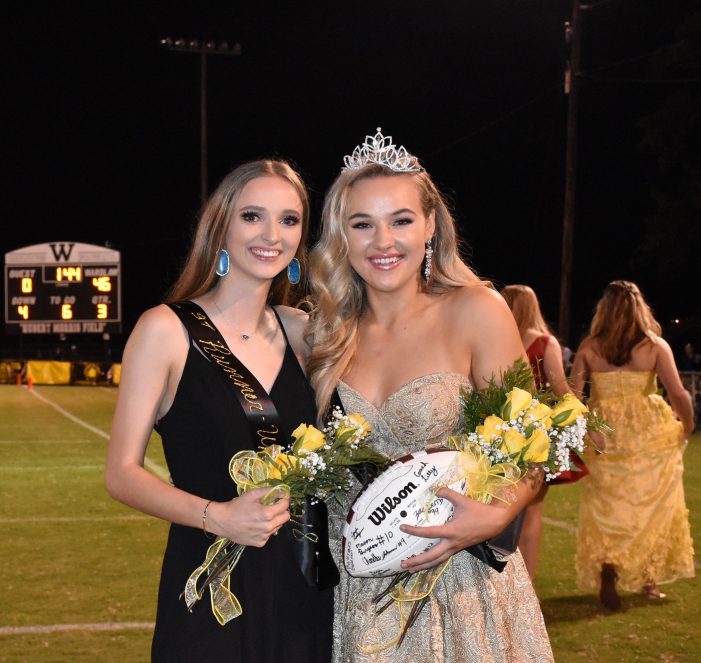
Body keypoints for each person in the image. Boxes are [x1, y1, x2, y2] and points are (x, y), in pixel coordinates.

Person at [307, 129, 553, 662]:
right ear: (341, 237)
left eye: (400, 220)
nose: (383, 241)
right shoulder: (324, 337)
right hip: (363, 600)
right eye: (362, 224)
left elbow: (534, 444)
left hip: (466, 591)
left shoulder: (475, 311)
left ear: (430, 226)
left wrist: (497, 514)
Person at [105, 160, 334, 662]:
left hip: (304, 587)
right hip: (212, 586)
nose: (272, 234)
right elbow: (121, 473)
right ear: (221, 226)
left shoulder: (303, 332)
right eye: (253, 216)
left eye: (289, 220)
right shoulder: (164, 330)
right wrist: (218, 517)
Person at [571, 280, 695, 610]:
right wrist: (688, 423)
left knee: (608, 502)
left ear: (604, 310)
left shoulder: (589, 347)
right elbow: (678, 392)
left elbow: (572, 394)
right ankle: (648, 580)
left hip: (605, 430)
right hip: (647, 430)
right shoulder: (654, 347)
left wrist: (586, 426)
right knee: (649, 501)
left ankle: (609, 568)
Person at [501, 284, 572, 581]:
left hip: (496, 431)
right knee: (531, 513)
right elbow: (561, 389)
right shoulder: (544, 343)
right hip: (533, 434)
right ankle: (527, 583)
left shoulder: (496, 338)